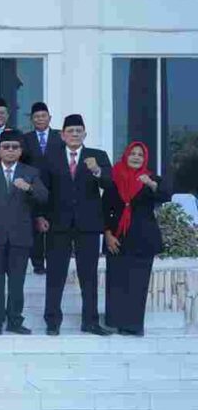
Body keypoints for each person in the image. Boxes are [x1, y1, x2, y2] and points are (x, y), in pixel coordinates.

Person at [37, 114, 112, 336]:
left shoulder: (96, 156)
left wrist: (97, 170)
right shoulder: (51, 156)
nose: (75, 134)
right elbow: (43, 191)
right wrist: (40, 216)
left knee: (88, 275)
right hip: (57, 224)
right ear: (62, 134)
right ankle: (52, 321)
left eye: (79, 130)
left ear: (85, 134)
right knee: (55, 275)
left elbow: (110, 183)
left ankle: (90, 321)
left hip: (87, 225)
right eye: (70, 131)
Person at [0, 130, 48, 335]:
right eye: (6, 146)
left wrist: (29, 188)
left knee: (17, 283)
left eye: (14, 147)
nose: (10, 150)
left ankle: (15, 321)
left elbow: (44, 197)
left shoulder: (30, 172)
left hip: (20, 237)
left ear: (20, 150)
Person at [103, 142, 171, 336]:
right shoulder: (114, 177)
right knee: (117, 282)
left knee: (137, 283)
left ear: (145, 159)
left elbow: (166, 196)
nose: (135, 157)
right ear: (125, 155)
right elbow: (105, 208)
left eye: (140, 155)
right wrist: (108, 234)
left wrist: (150, 183)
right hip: (117, 238)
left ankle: (133, 325)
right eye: (132, 153)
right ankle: (116, 322)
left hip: (142, 238)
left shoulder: (151, 178)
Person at [21, 102, 63, 275]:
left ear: (49, 118)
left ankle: (54, 262)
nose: (40, 119)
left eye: (43, 116)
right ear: (32, 119)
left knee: (56, 227)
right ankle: (38, 263)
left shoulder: (60, 136)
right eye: (36, 117)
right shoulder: (26, 138)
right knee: (36, 228)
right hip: (34, 188)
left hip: (57, 188)